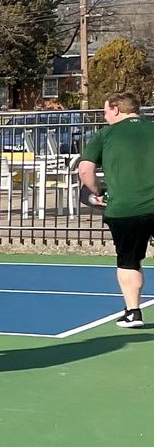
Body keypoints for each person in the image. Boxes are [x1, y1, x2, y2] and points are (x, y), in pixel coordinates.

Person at [76, 90, 154, 329]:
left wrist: (98, 192)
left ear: (116, 109)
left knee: (129, 261)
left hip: (125, 210)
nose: (104, 116)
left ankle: (133, 313)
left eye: (105, 111)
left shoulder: (105, 134)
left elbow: (85, 170)